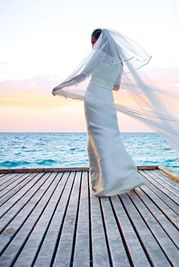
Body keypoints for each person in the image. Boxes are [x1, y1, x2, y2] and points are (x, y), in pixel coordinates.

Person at [53, 29, 147, 196]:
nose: (92, 46)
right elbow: (116, 87)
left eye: (93, 42)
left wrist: (61, 86)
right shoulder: (119, 62)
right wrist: (105, 81)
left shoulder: (97, 57)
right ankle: (125, 177)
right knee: (111, 138)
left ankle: (105, 182)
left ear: (101, 42)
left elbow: (81, 75)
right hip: (107, 101)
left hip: (94, 98)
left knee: (97, 139)